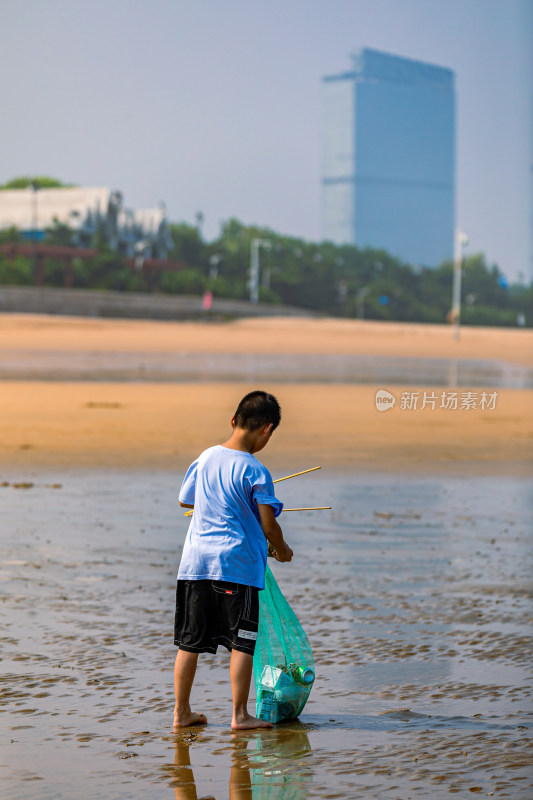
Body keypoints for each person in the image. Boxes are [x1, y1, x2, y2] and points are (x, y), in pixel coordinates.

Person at [173, 390, 293, 730]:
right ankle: (240, 715)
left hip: (195, 566)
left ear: (233, 421)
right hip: (237, 568)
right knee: (243, 643)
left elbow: (186, 501)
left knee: (190, 643)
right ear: (267, 430)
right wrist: (282, 551)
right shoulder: (257, 470)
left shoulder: (206, 457)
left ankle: (181, 713)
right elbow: (268, 525)